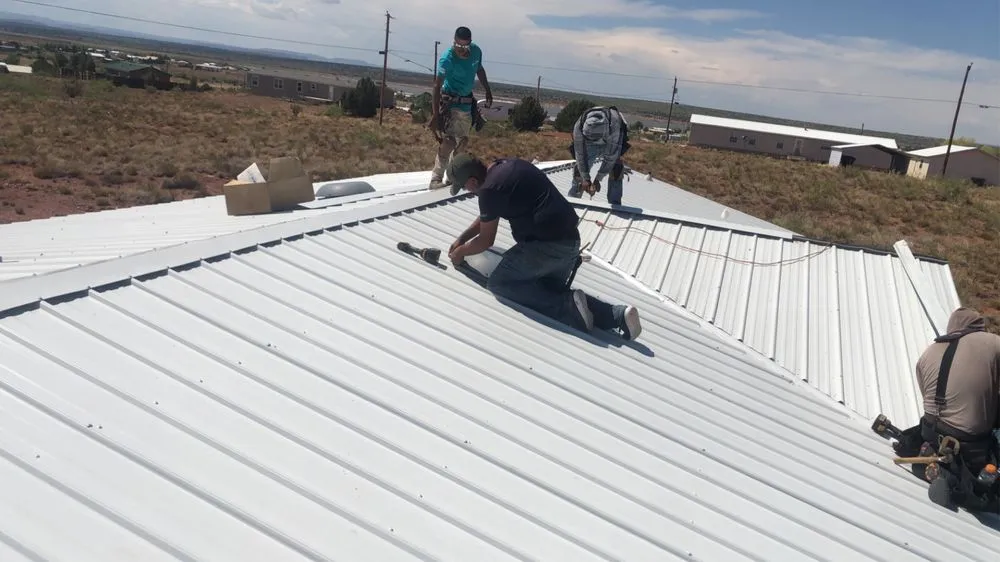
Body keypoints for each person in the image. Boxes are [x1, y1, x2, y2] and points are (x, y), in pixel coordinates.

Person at [445, 153, 642, 341]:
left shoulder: (488, 191)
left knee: (499, 283)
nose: (467, 191)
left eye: (464, 187)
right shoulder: (506, 166)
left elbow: (486, 241)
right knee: (546, 290)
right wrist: (462, 238)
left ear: (471, 181)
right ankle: (617, 316)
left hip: (546, 247)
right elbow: (488, 215)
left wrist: (459, 254)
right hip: (571, 242)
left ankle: (567, 308)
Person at [894, 307, 1000, 511]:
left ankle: (934, 462)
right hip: (970, 445)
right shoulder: (991, 343)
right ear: (979, 327)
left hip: (929, 433)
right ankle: (956, 479)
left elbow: (929, 398)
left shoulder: (928, 353)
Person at [428, 26, 493, 190]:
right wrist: (436, 115)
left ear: (470, 44)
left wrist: (487, 89)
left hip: (465, 105)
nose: (462, 50)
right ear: (454, 42)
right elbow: (437, 86)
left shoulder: (476, 52)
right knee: (448, 142)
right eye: (458, 46)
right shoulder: (447, 59)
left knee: (462, 143)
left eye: (465, 46)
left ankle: (453, 177)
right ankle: (436, 178)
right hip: (449, 104)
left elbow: (479, 69)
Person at [567, 105, 630, 205]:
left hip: (610, 140)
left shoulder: (614, 126)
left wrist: (598, 179)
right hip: (589, 143)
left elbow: (610, 158)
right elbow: (580, 155)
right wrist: (586, 179)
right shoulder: (579, 127)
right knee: (579, 170)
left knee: (616, 169)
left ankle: (615, 204)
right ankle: (573, 201)